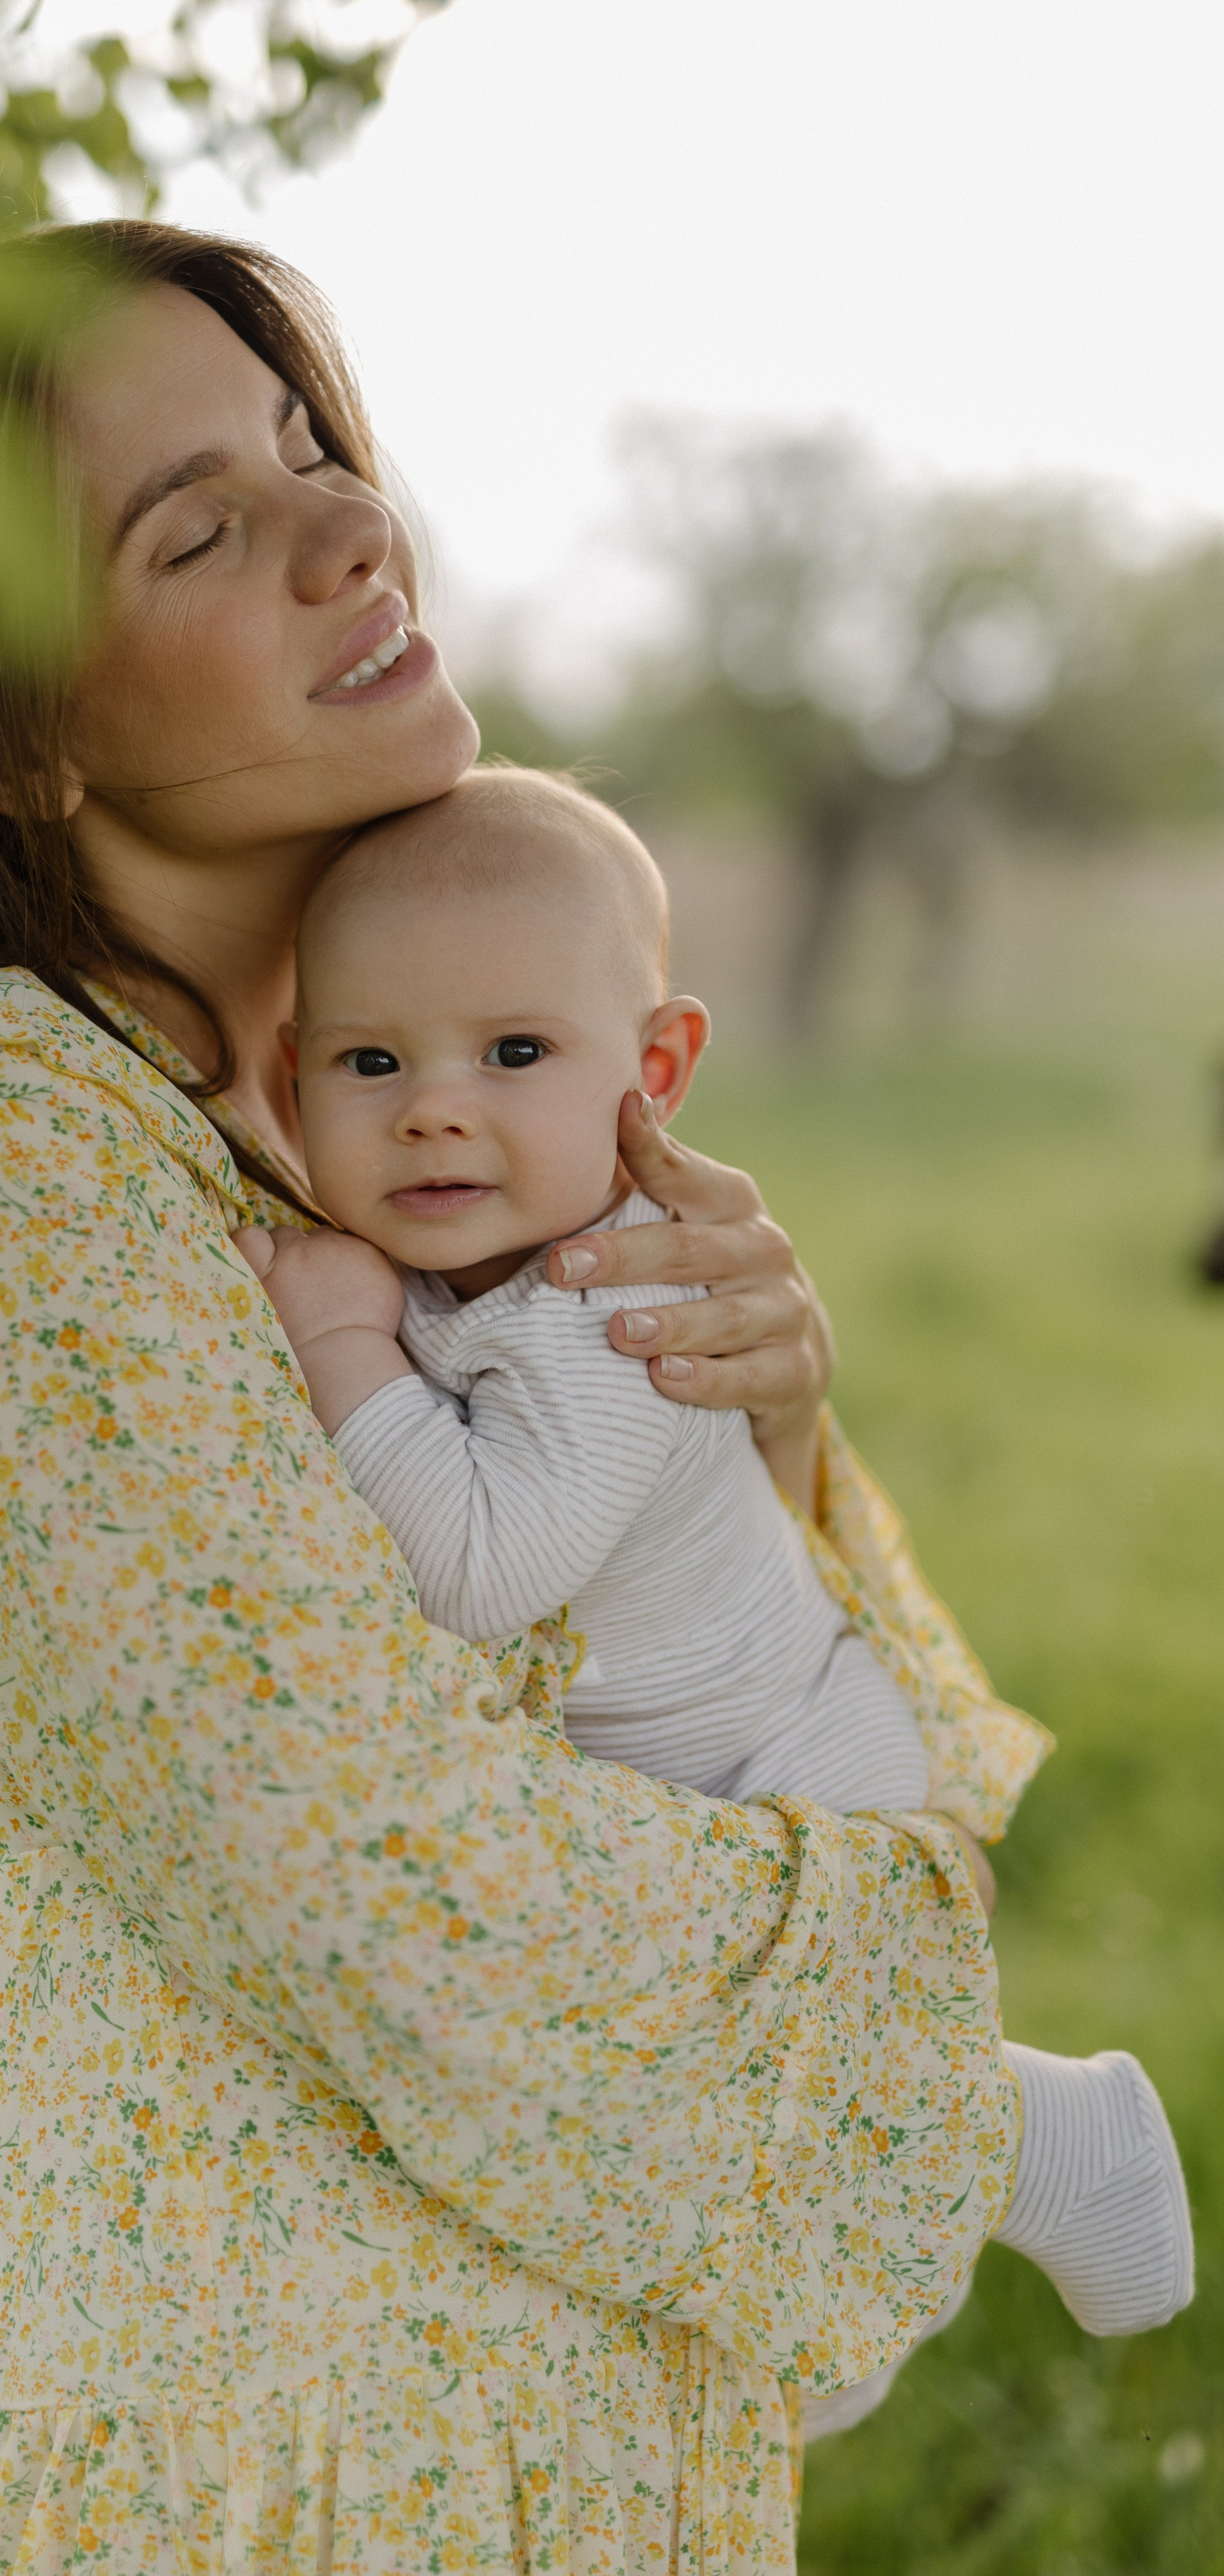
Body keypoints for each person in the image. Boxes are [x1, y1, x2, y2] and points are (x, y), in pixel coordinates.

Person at [0, 221, 1043, 2576]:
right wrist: (930, 2017)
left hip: (565, 2461)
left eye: (314, 452)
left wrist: (772, 1434)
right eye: (199, 528)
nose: (354, 527)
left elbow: (731, 1679)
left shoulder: (387, 1118)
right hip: (265, 2502)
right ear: (15, 730)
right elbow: (401, 1893)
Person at [240, 762, 1194, 2429]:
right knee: (700, 2124)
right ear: (288, 1075)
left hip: (788, 1759)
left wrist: (333, 1345)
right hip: (690, 1765)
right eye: (370, 1062)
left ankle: (1049, 2144)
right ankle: (1001, 2170)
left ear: (655, 1074)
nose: (433, 1110)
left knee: (784, 2138)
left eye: (513, 1056)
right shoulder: (461, 1266)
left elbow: (475, 1572)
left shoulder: (612, 1302)